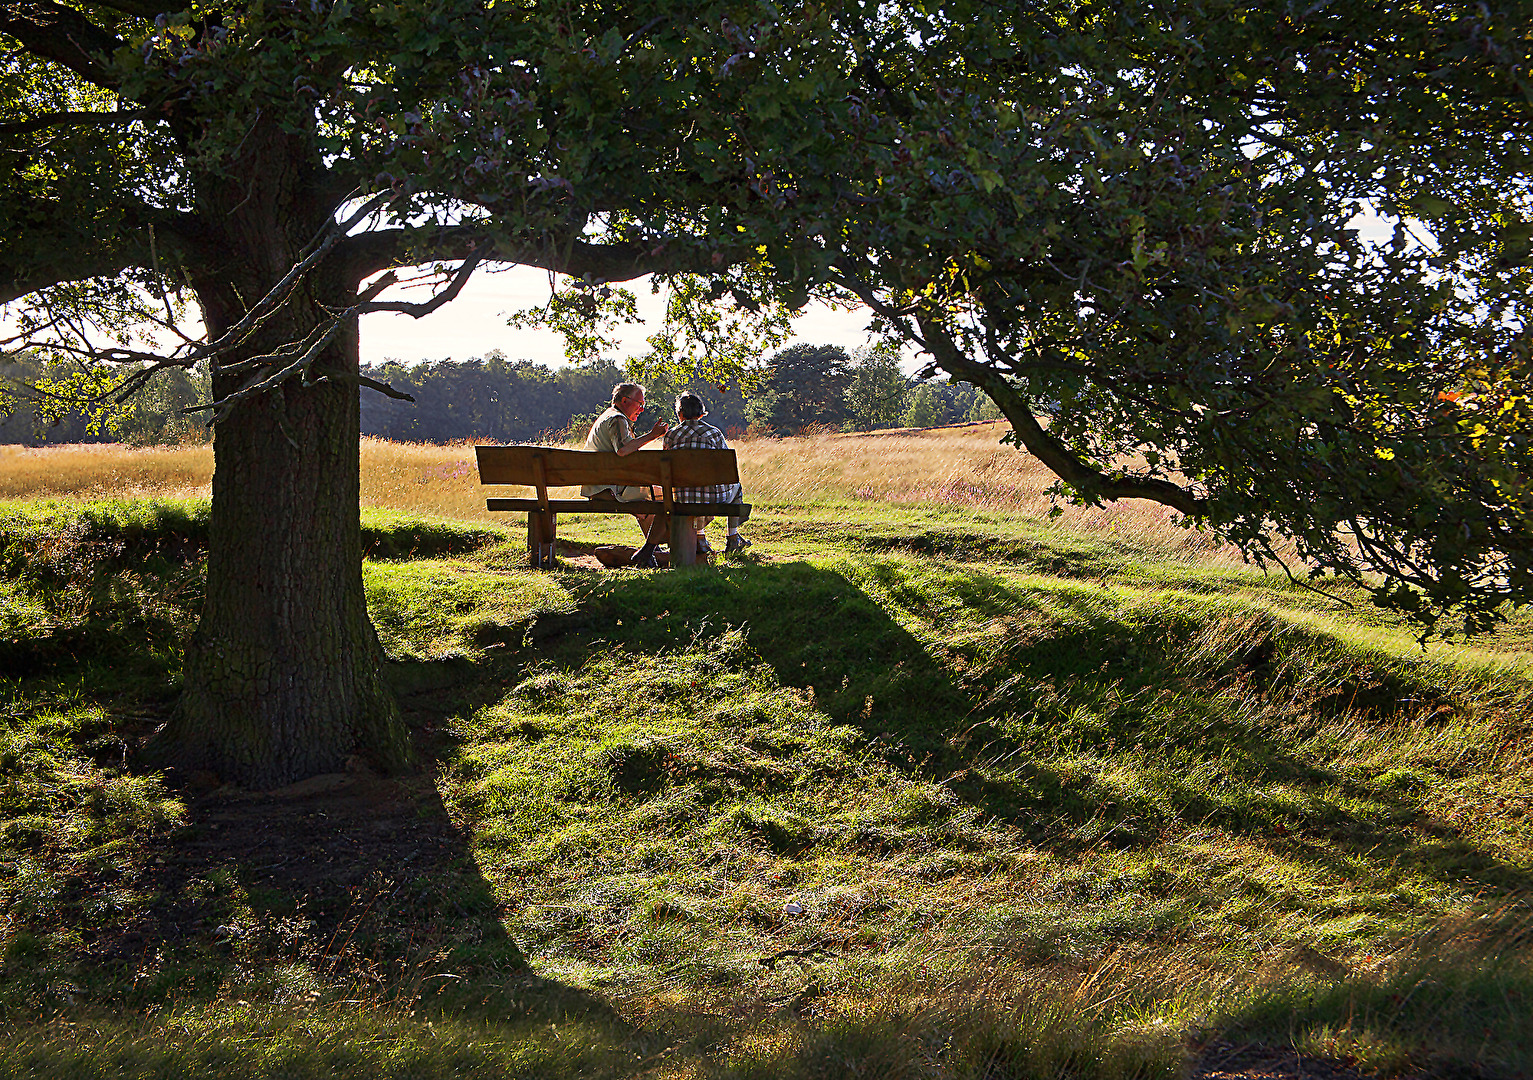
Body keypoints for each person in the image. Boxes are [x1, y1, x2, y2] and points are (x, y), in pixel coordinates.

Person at [583, 382, 669, 567]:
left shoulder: (608, 417)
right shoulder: (617, 419)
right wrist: (652, 435)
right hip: (608, 489)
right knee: (668, 495)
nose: (642, 409)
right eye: (640, 403)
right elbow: (622, 450)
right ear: (624, 401)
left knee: (653, 495)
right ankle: (663, 548)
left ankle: (652, 550)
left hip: (599, 486)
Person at [663, 392, 751, 555]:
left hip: (682, 496)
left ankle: (700, 538)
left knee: (693, 490)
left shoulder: (671, 435)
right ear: (701, 413)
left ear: (680, 414)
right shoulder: (713, 433)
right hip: (713, 498)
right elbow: (726, 467)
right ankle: (732, 538)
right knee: (736, 486)